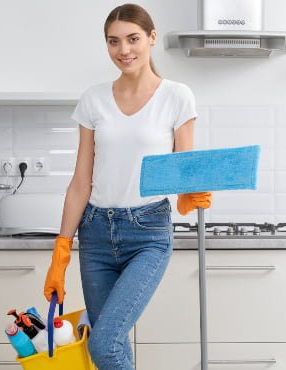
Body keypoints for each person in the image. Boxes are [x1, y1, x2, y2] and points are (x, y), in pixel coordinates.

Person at [44, 3, 212, 370]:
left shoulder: (177, 96)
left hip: (148, 234)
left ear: (151, 39)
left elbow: (182, 171)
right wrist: (61, 248)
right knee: (111, 348)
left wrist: (189, 198)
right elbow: (80, 182)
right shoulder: (93, 99)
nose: (124, 50)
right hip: (95, 235)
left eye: (133, 39)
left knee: (104, 344)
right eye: (114, 41)